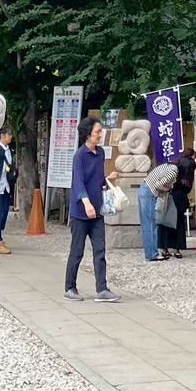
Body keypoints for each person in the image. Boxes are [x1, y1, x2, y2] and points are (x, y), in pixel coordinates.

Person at [65, 115, 120, 301]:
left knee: (100, 251)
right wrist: (86, 203)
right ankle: (70, 287)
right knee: (77, 251)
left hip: (97, 212)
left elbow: (97, 179)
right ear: (88, 133)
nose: (100, 134)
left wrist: (107, 180)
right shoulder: (79, 156)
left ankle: (102, 289)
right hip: (80, 213)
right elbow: (78, 182)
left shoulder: (100, 153)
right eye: (97, 131)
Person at [139, 160, 178, 263]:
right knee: (151, 224)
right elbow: (158, 184)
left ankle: (150, 253)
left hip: (144, 189)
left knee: (147, 224)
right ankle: (153, 254)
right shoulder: (173, 171)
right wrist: (166, 189)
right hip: (149, 192)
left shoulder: (166, 166)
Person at [165, 146, 196, 258]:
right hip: (181, 194)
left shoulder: (174, 162)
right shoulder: (190, 163)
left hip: (169, 193)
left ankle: (165, 248)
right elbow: (188, 181)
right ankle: (177, 249)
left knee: (166, 222)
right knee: (179, 222)